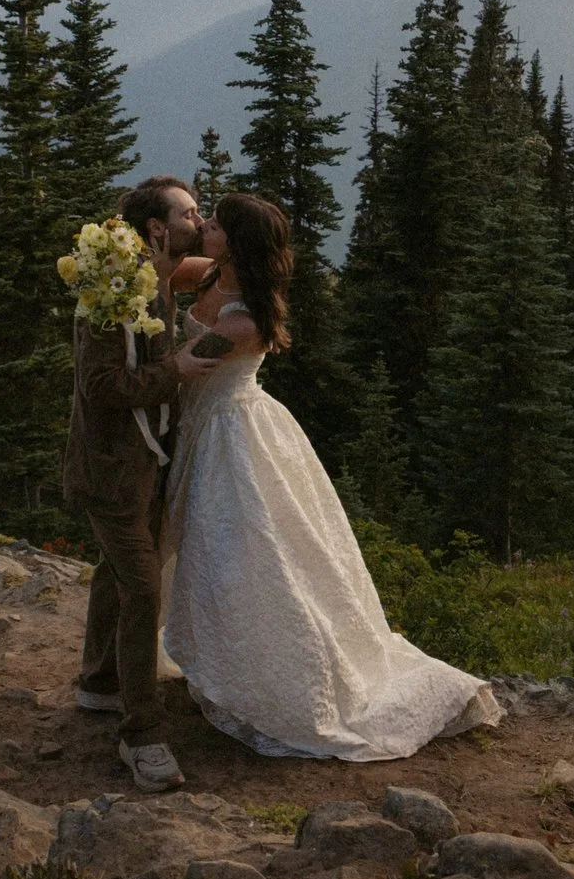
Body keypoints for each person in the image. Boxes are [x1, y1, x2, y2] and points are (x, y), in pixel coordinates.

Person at [161, 192, 501, 759]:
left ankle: (270, 672)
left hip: (229, 434)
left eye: (215, 223)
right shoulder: (211, 272)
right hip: (204, 427)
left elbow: (185, 368)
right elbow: (165, 278)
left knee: (238, 554)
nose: (206, 227)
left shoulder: (243, 321)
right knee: (215, 550)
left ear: (236, 242)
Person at [63, 174, 221, 791]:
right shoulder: (113, 289)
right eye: (191, 213)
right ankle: (142, 735)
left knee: (119, 572)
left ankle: (99, 682)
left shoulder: (157, 275)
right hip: (111, 472)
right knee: (141, 589)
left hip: (147, 465)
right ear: (158, 229)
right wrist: (176, 370)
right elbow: (98, 388)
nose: (199, 220)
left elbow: (217, 264)